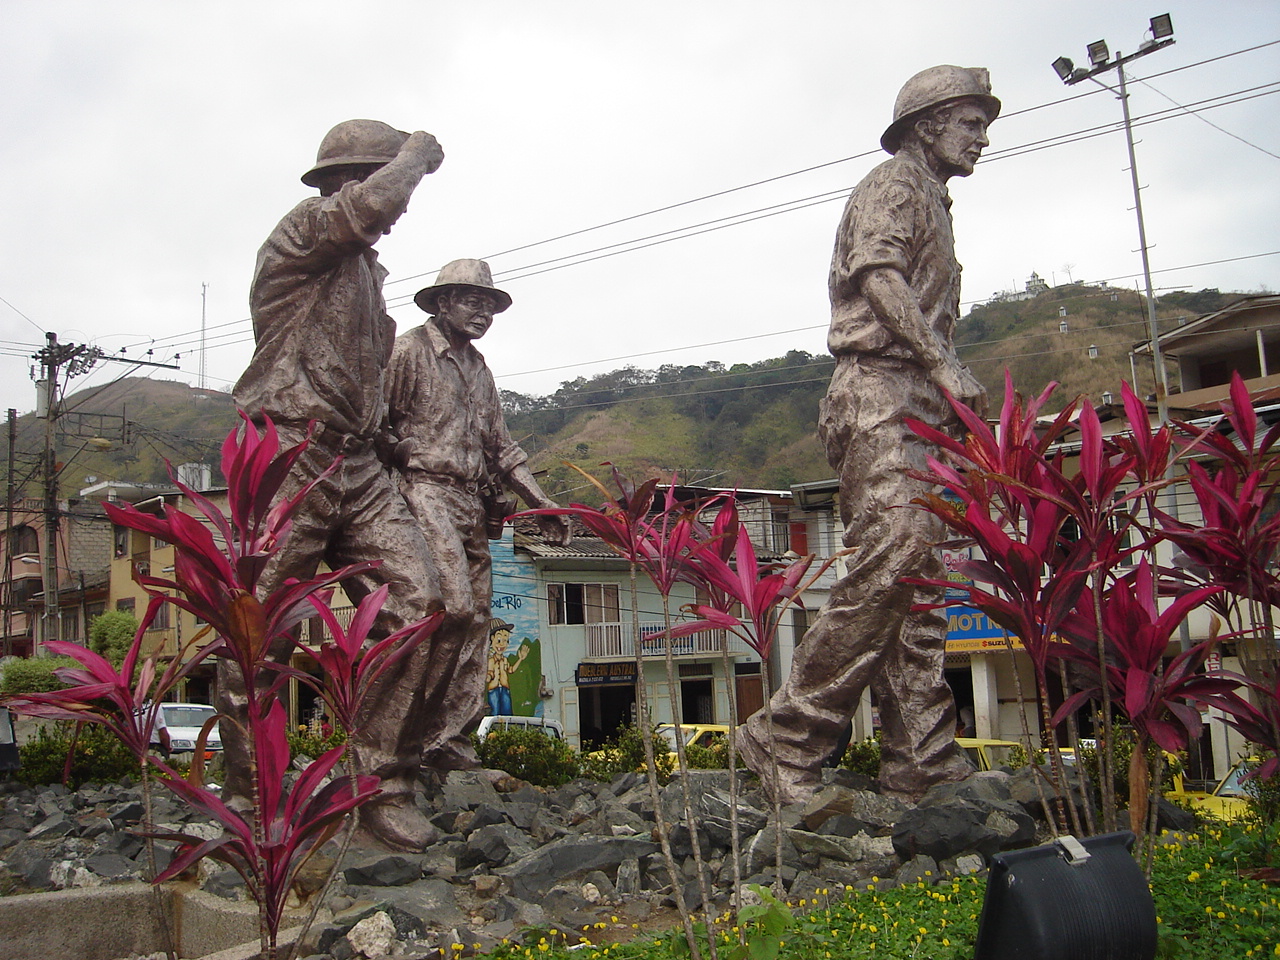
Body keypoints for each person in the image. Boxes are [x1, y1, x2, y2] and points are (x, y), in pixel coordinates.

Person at [737, 66, 998, 803]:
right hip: (881, 391)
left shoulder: (934, 200)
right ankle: (787, 732)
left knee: (918, 584)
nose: (982, 138)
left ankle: (921, 756)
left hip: (916, 395)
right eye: (970, 122)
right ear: (927, 125)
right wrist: (942, 362)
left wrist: (943, 379)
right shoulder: (895, 182)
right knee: (897, 557)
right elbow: (878, 274)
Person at [227, 119, 446, 851]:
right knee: (259, 634)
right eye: (389, 180)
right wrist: (416, 153)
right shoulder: (306, 231)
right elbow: (363, 211)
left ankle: (378, 780)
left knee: (421, 603)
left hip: (357, 462)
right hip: (289, 451)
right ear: (348, 179)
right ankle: (257, 800)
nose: (403, 203)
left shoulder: (365, 274)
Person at [387, 259, 571, 767]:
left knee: (478, 621)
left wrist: (544, 503)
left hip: (470, 501)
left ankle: (450, 739)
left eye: (489, 306)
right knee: (453, 609)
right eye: (473, 302)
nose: (483, 314)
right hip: (422, 492)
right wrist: (399, 455)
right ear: (443, 302)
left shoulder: (479, 367)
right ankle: (408, 732)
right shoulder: (408, 352)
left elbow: (502, 449)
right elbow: (370, 423)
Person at [486, 618, 529, 716]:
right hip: (494, 690)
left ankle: (507, 730)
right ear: (491, 639)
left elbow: (511, 670)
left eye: (505, 640)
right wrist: (488, 677)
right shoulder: (491, 660)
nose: (502, 644)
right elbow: (489, 672)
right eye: (499, 640)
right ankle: (495, 731)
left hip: (505, 689)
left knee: (507, 712)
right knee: (495, 712)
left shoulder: (505, 660)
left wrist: (520, 659)